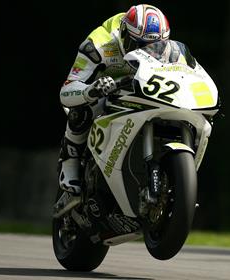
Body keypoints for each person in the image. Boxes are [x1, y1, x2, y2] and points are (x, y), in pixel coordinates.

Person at [58, 4, 170, 194]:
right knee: (83, 107)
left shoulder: (168, 48)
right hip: (103, 94)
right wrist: (91, 91)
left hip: (141, 91)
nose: (148, 53)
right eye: (139, 46)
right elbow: (67, 90)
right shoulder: (98, 44)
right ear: (124, 35)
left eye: (156, 47)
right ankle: (70, 160)